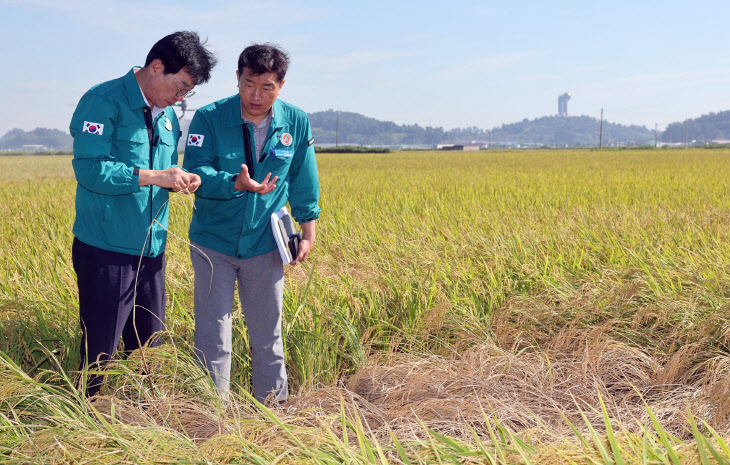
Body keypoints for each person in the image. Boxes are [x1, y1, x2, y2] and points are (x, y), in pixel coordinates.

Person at [69, 31, 217, 396]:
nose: (181, 98)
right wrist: (155, 177)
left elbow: (165, 171)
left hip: (151, 249)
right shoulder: (102, 101)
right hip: (107, 248)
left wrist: (179, 179)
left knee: (149, 350)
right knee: (99, 351)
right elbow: (91, 169)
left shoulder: (167, 118)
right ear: (156, 67)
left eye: (188, 92)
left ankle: (144, 423)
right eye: (180, 87)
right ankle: (84, 422)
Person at [183, 43, 320, 404]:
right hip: (215, 243)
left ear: (281, 85)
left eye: (267, 87)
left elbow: (304, 180)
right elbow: (196, 171)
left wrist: (308, 229)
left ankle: (275, 416)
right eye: (248, 85)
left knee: (268, 335)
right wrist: (234, 182)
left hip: (265, 244)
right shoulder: (209, 117)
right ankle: (211, 419)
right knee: (214, 336)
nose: (256, 96)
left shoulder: (296, 121)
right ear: (238, 79)